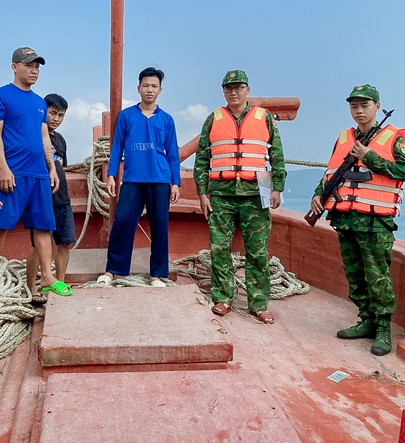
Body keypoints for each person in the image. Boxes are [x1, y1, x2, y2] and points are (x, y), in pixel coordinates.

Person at [310, 84, 405, 356]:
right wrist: (319, 195)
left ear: (377, 106)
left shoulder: (395, 136)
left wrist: (370, 157)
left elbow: (404, 170)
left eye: (365, 105)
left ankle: (383, 328)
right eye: (354, 106)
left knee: (378, 276)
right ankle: (366, 321)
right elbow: (331, 172)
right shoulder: (343, 137)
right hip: (346, 218)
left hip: (376, 222)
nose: (359, 110)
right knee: (355, 274)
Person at [194, 70, 286, 324]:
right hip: (222, 195)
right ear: (223, 91)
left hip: (256, 194)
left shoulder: (264, 118)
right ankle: (222, 298)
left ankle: (259, 303)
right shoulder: (213, 119)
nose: (233, 92)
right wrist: (203, 192)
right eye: (228, 88)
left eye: (238, 87)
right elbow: (202, 158)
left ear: (248, 89)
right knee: (219, 248)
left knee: (257, 250)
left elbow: (276, 155)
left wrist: (276, 187)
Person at [0, 47, 71, 298]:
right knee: (1, 224)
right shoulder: (0, 96)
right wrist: (3, 168)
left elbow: (45, 137)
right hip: (14, 172)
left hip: (39, 175)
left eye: (37, 67)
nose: (34, 70)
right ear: (14, 67)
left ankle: (48, 277)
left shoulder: (40, 102)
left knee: (43, 226)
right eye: (29, 65)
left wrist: (51, 168)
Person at [97, 67, 181, 287]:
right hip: (133, 179)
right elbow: (117, 148)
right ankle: (113, 270)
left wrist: (176, 183)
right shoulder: (126, 116)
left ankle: (157, 274)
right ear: (138, 88)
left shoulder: (167, 120)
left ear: (160, 90)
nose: (149, 90)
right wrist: (111, 175)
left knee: (160, 226)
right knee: (123, 222)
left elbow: (173, 154)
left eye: (154, 86)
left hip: (161, 180)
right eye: (146, 85)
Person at [26, 94, 76, 296]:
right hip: (39, 199)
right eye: (53, 113)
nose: (56, 118)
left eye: (61, 115)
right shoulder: (33, 135)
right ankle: (31, 289)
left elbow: (62, 166)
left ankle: (59, 282)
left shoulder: (60, 140)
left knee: (65, 242)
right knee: (38, 247)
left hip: (62, 199)